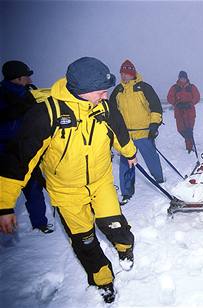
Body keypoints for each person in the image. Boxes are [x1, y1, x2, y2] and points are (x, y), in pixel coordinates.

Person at [0, 57, 138, 303]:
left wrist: (130, 154)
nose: (105, 96)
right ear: (82, 91)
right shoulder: (46, 114)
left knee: (115, 225)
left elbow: (119, 131)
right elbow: (19, 160)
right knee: (84, 240)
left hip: (100, 182)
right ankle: (103, 279)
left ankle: (125, 249)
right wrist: (4, 204)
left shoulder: (103, 108)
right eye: (100, 91)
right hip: (66, 193)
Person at [0, 60, 53, 233]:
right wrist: (21, 118)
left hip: (30, 150)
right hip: (8, 153)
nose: (30, 80)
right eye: (26, 77)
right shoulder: (2, 96)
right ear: (16, 79)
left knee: (35, 188)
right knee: (9, 187)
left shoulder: (29, 92)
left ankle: (40, 225)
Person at [109, 59, 164, 206]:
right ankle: (126, 192)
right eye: (122, 73)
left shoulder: (144, 88)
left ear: (133, 73)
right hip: (125, 135)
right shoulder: (117, 91)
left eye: (127, 73)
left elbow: (156, 107)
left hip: (144, 133)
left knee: (151, 158)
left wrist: (154, 125)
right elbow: (112, 113)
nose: (124, 76)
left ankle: (159, 179)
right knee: (126, 164)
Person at [167, 70, 200, 153]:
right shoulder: (174, 88)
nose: (183, 80)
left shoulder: (192, 87)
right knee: (180, 129)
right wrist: (176, 103)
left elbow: (197, 97)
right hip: (179, 112)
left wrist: (190, 103)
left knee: (189, 129)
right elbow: (169, 97)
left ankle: (189, 147)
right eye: (181, 78)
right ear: (179, 78)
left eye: (184, 78)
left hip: (190, 112)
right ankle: (189, 141)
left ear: (187, 78)